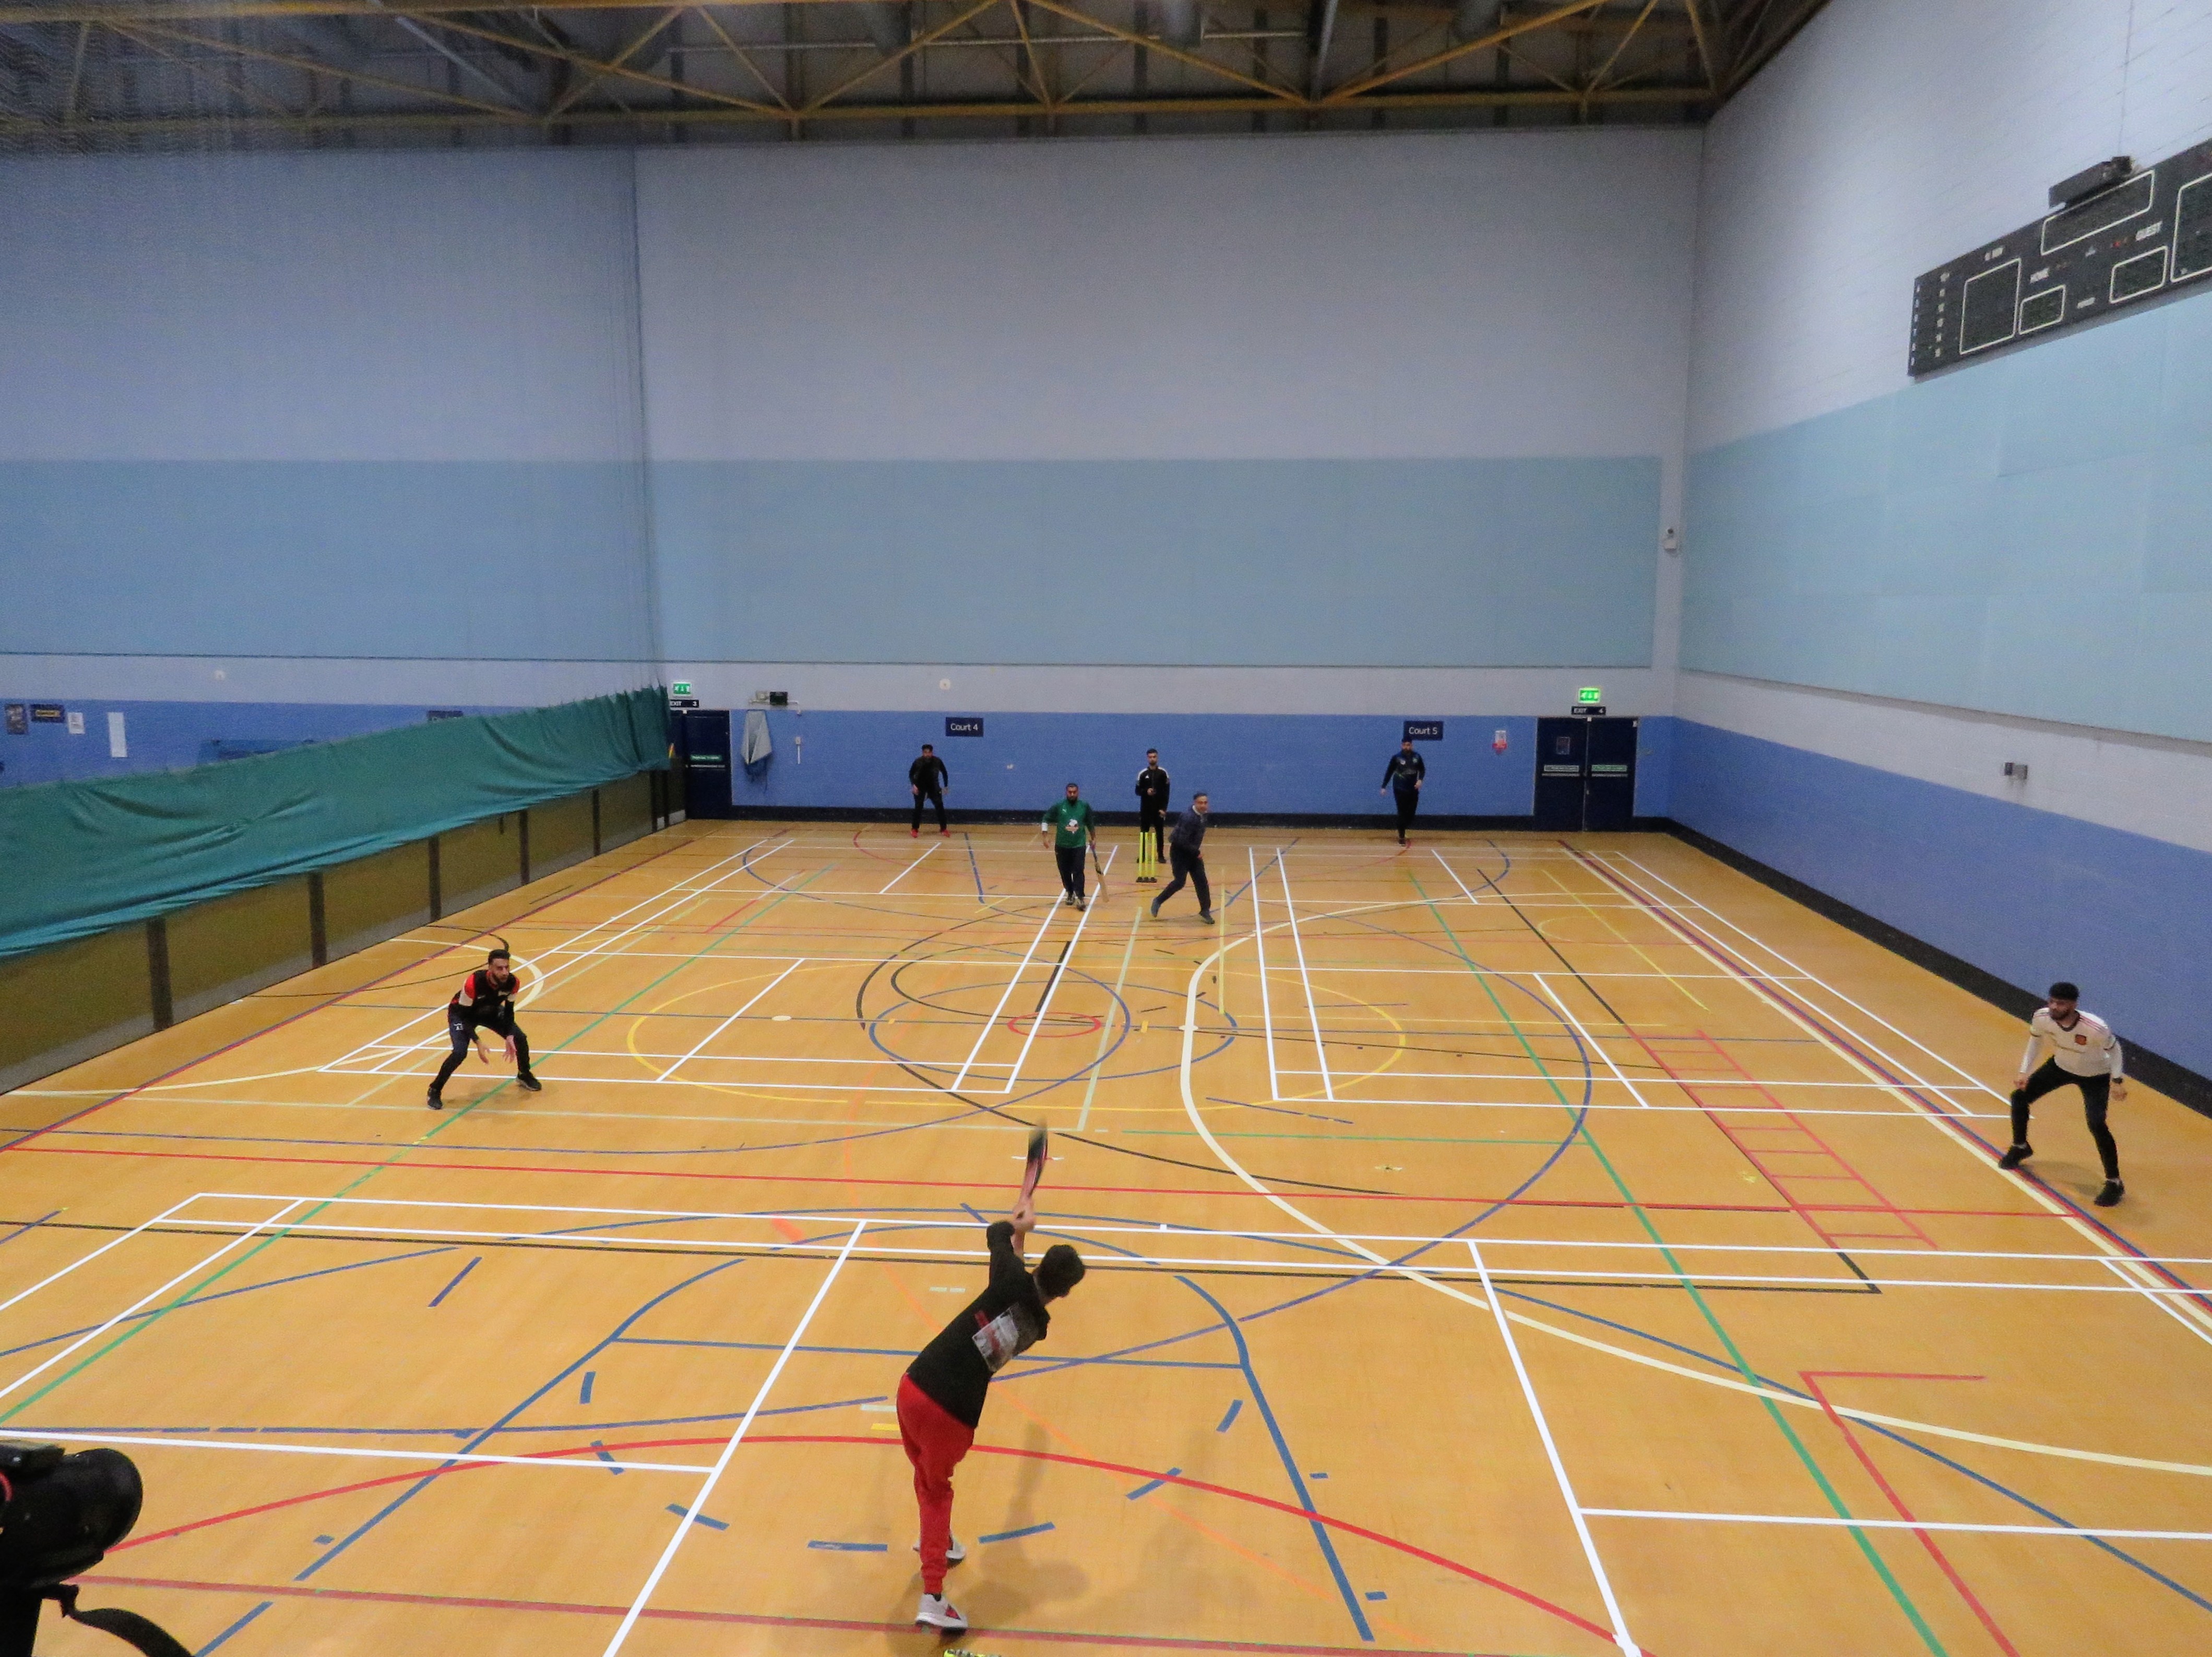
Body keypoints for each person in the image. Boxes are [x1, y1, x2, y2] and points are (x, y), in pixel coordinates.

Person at [899, 1198, 1086, 1632]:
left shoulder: (1008, 1279)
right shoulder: (1038, 1326)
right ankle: (932, 1596)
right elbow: (1018, 1282)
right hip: (951, 1415)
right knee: (936, 1490)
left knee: (927, 1482)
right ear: (1064, 1292)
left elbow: (995, 1237)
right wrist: (1020, 1236)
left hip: (912, 1386)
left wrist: (1018, 1225)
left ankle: (939, 1543)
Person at [2000, 981, 2126, 1206]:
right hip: (2060, 1067)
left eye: (2061, 1003)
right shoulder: (2041, 1017)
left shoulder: (2095, 1028)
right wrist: (2024, 1072)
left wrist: (2117, 1080)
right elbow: (2035, 1041)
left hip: (2095, 1076)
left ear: (2074, 1005)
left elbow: (2115, 1050)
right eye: (2052, 1001)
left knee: (2097, 1124)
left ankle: (2114, 1182)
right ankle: (2021, 1147)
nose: (2054, 1007)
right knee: (2019, 1097)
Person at [427, 945, 540, 1110]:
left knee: (520, 1038)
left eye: (507, 967)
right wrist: (478, 1041)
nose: (504, 972)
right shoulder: (473, 983)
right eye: (500, 968)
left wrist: (509, 1036)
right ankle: (435, 1089)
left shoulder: (512, 982)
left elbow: (509, 1011)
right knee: (460, 1052)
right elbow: (465, 1017)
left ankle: (524, 1074)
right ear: (490, 968)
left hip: (491, 1012)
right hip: (463, 1015)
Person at [1149, 792, 1214, 925]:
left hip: (1192, 853)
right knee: (1180, 882)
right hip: (1179, 853)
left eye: (1205, 803)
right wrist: (1196, 852)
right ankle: (1158, 901)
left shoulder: (1203, 816)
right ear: (1195, 803)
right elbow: (1180, 840)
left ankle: (1205, 910)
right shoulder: (1189, 818)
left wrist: (1195, 852)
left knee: (1202, 882)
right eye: (1200, 803)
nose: (1203, 805)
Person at [1039, 782, 1096, 910]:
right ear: (1066, 793)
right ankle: (1070, 893)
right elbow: (1046, 819)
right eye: (1070, 792)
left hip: (1078, 845)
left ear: (1078, 792)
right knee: (1065, 872)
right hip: (1062, 846)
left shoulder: (1084, 806)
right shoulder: (1059, 806)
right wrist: (1045, 836)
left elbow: (1090, 823)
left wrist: (1093, 838)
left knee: (1078, 871)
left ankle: (1080, 898)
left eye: (1074, 792)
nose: (1072, 794)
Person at [1133, 749, 1171, 881]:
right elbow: (1137, 791)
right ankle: (1143, 855)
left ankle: (1160, 855)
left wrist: (1164, 808)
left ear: (1157, 757)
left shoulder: (1163, 773)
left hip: (1158, 809)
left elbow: (1167, 793)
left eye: (1154, 757)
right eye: (1150, 757)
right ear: (1147, 758)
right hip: (1145, 809)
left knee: (1160, 833)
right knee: (1144, 832)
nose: (1152, 759)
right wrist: (1146, 791)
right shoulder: (1143, 774)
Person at [1379, 736, 1425, 844]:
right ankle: (1401, 836)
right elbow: (1389, 772)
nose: (1407, 747)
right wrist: (1384, 786)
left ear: (1412, 746)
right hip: (1400, 789)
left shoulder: (1417, 757)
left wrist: (1420, 780)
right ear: (1402, 746)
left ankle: (1404, 826)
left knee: (1411, 813)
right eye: (1405, 745)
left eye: (1409, 745)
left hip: (1413, 789)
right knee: (1402, 812)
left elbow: (1422, 769)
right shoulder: (1397, 758)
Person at [909, 743, 950, 838]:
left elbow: (945, 773)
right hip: (920, 788)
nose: (927, 755)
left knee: (940, 808)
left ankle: (944, 829)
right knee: (918, 808)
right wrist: (914, 785)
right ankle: (915, 829)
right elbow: (911, 774)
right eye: (925, 753)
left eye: (929, 753)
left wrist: (946, 786)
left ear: (932, 753)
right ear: (923, 753)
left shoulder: (938, 761)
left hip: (934, 788)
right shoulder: (918, 762)